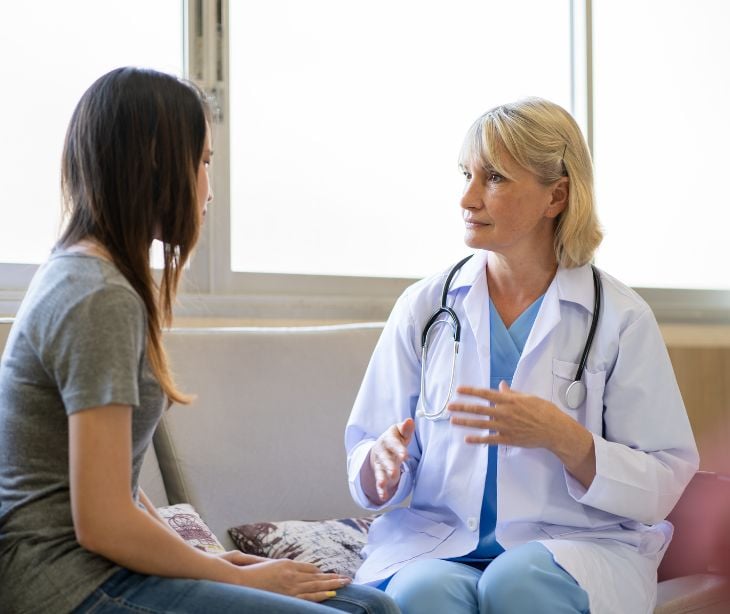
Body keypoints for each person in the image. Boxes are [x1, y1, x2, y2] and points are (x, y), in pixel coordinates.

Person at [0, 67, 399, 614]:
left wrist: (210, 558)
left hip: (96, 567)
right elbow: (102, 521)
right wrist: (229, 577)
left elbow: (117, 486)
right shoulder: (98, 295)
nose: (210, 185)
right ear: (157, 166)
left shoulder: (89, 276)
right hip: (66, 585)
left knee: (373, 606)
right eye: (205, 161)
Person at [345, 97, 699, 614]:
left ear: (555, 196)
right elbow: (369, 446)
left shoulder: (619, 318)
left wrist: (565, 439)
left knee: (517, 581)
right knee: (422, 594)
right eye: (466, 174)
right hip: (439, 542)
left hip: (576, 548)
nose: (466, 198)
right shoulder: (426, 306)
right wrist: (380, 464)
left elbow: (664, 480)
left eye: (494, 179)